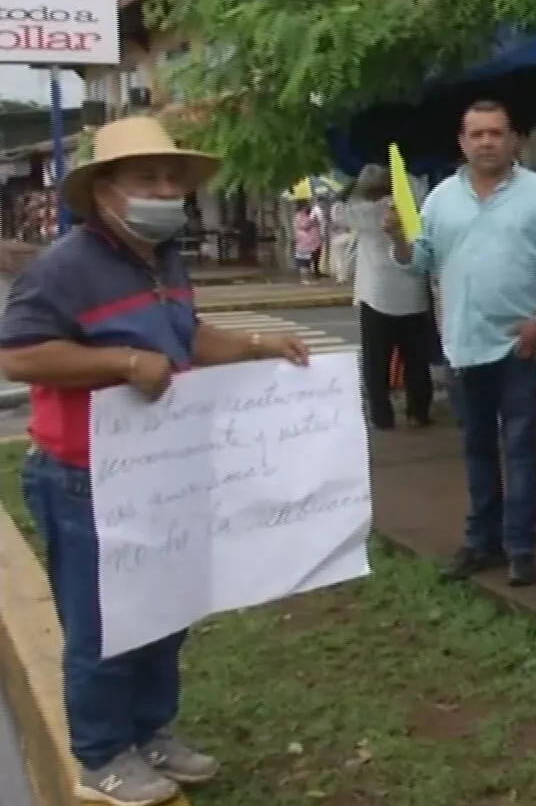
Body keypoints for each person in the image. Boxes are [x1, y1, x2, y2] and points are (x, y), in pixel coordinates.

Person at [0, 116, 309, 806]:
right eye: (147, 179)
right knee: (103, 621)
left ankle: (150, 731)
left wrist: (259, 344)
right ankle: (102, 755)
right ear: (105, 191)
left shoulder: (162, 257)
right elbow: (17, 354)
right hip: (85, 474)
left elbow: (185, 337)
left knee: (164, 610)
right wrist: (120, 361)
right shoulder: (64, 268)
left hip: (161, 470)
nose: (165, 190)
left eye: (172, 178)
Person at [394, 99, 536, 588]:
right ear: (462, 142)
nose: (487, 142)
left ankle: (520, 549)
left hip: (520, 344)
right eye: (477, 134)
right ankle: (481, 543)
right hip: (461, 342)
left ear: (513, 140)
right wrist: (399, 241)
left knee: (518, 447)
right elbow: (421, 261)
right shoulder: (440, 199)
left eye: (496, 133)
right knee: (475, 449)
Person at [344, 163, 435, 429]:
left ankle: (381, 416)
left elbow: (337, 211)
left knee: (376, 362)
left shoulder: (362, 212)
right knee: (416, 360)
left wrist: (351, 186)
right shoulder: (411, 204)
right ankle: (418, 412)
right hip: (414, 296)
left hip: (376, 296)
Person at [292, 200, 322, 282]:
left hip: (313, 240)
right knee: (304, 261)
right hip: (304, 241)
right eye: (306, 205)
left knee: (312, 258)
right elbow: (304, 225)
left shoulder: (311, 214)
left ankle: (311, 275)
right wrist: (311, 219)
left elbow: (318, 224)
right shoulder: (299, 215)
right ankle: (304, 279)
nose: (308, 207)